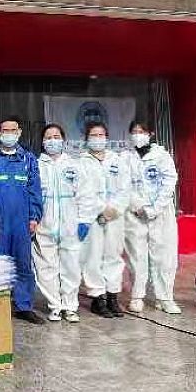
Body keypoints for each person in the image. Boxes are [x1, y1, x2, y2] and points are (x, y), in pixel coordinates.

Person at [32, 123, 96, 323]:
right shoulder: (36, 166)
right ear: (43, 142)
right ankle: (55, 306)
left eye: (56, 137)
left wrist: (84, 220)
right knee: (45, 268)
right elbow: (30, 195)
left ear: (63, 140)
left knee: (71, 268)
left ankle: (70, 306)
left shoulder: (74, 165)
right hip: (44, 225)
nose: (53, 140)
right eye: (48, 137)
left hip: (70, 226)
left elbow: (86, 195)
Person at [0, 116, 45, 324]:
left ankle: (23, 306)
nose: (8, 134)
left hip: (21, 221)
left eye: (13, 130)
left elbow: (35, 190)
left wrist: (34, 216)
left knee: (23, 264)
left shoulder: (28, 159)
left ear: (19, 133)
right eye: (5, 130)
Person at [122, 120, 181, 314]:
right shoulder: (125, 157)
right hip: (135, 214)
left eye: (141, 131)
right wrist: (137, 206)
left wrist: (154, 208)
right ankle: (137, 296)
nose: (137, 135)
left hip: (161, 213)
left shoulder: (162, 156)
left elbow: (169, 181)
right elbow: (123, 185)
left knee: (164, 255)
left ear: (151, 134)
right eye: (134, 132)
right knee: (136, 256)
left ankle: (164, 297)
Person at [78, 122, 130, 319]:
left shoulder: (117, 160)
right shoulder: (81, 163)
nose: (98, 138)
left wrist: (114, 209)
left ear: (107, 138)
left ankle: (112, 296)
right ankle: (97, 297)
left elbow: (125, 188)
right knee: (93, 256)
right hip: (93, 216)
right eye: (93, 135)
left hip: (115, 217)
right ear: (86, 139)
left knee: (113, 255)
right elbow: (83, 191)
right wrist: (101, 209)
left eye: (101, 135)